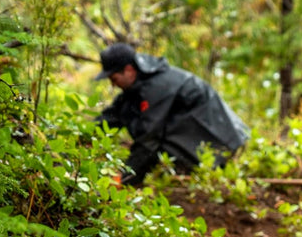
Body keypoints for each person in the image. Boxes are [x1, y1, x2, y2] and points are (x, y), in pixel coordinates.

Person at [93, 43, 249, 185]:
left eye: (114, 78)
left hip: (221, 141)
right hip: (201, 137)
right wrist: (83, 135)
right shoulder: (139, 85)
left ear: (129, 70)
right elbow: (115, 114)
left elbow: (148, 140)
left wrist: (124, 180)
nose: (113, 84)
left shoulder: (159, 86)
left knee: (153, 145)